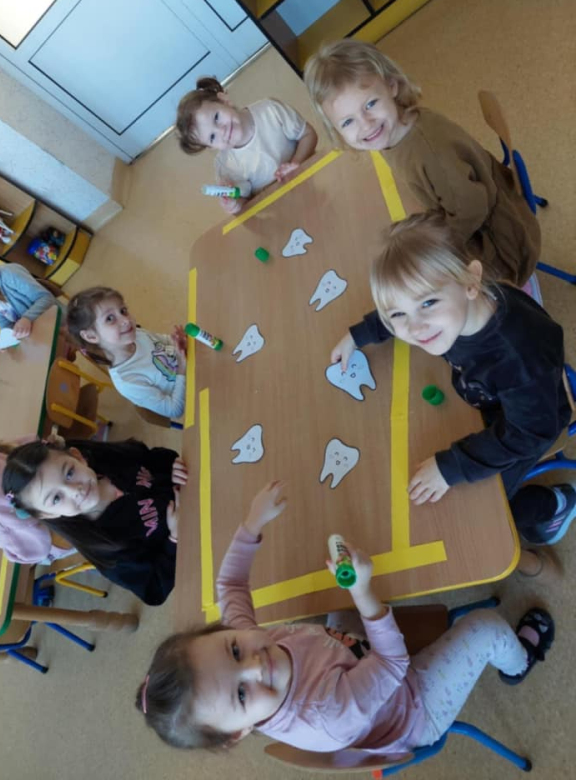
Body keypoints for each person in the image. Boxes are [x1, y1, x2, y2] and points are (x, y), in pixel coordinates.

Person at [136, 481, 554, 751]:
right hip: (412, 706)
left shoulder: (246, 641)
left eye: (233, 650)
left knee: (339, 598)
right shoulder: (326, 712)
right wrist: (363, 594)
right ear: (239, 733)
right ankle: (519, 662)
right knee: (483, 629)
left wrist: (251, 524)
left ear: (225, 631)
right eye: (242, 695)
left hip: (352, 662)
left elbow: (229, 586)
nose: (255, 664)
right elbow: (393, 663)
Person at [330, 212, 574, 552]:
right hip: (493, 398)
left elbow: (531, 433)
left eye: (428, 303)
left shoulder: (516, 355)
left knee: (482, 512)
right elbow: (403, 306)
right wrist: (360, 334)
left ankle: (554, 505)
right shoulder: (455, 310)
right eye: (398, 314)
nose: (415, 328)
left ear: (470, 281)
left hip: (530, 425)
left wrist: (451, 467)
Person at [304, 39, 540, 286]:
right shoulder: (395, 130)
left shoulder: (429, 153)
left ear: (392, 86)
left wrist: (434, 248)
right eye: (348, 122)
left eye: (370, 104)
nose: (366, 125)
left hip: (502, 244)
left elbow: (473, 208)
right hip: (473, 215)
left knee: (424, 285)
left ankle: (518, 296)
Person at [2, 438, 188, 605]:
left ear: (78, 457)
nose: (75, 490)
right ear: (48, 514)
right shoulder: (106, 548)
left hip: (195, 484)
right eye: (56, 498)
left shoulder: (109, 460)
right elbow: (154, 590)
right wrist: (175, 539)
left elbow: (151, 456)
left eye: (69, 473)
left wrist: (170, 466)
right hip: (192, 539)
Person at [176, 77, 318, 215]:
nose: (221, 131)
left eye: (216, 117)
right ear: (211, 147)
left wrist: (296, 163)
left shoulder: (270, 110)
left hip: (310, 184)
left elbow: (309, 134)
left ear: (224, 100)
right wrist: (234, 204)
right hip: (278, 213)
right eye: (212, 137)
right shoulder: (226, 166)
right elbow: (245, 203)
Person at [67, 287, 186, 421]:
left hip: (191, 366)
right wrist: (182, 368)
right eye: (110, 318)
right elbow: (174, 409)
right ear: (91, 336)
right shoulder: (127, 380)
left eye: (123, 311)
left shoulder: (136, 334)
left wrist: (177, 341)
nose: (125, 320)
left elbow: (163, 341)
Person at [0, 438, 74, 564]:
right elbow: (34, 441)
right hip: (70, 494)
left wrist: (3, 540)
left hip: (69, 527)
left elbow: (35, 552)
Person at [0, 256, 56, 349]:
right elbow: (4, 323)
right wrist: (2, 339)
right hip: (33, 334)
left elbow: (46, 297)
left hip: (53, 321)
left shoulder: (9, 273)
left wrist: (27, 318)